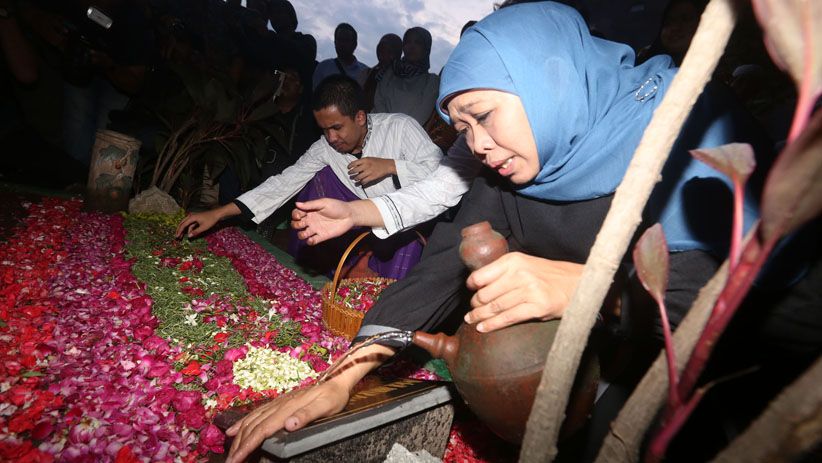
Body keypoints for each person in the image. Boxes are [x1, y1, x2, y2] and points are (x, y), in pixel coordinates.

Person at [223, 3, 775, 462]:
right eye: (462, 127)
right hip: (604, 358)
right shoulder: (507, 165)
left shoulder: (685, 124)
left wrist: (588, 288)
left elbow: (738, 291)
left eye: (484, 115)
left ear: (549, 78)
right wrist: (344, 377)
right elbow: (440, 268)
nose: (477, 144)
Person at [176, 74, 441, 279]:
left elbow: (439, 173)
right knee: (318, 177)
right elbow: (284, 182)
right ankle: (337, 270)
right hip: (353, 222)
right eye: (324, 130)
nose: (331, 139)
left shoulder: (400, 127)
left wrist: (391, 166)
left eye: (337, 128)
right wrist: (219, 213)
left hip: (404, 223)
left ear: (360, 117)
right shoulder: (326, 147)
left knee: (390, 298)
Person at [373, 27, 439, 126]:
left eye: (418, 43)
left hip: (407, 137)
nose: (412, 46)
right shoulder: (389, 72)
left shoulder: (432, 82)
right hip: (378, 131)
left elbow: (419, 116)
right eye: (408, 42)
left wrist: (396, 131)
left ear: (426, 49)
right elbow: (379, 103)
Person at [311, 23, 369, 90]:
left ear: (355, 44)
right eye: (340, 40)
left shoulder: (366, 73)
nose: (342, 44)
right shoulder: (322, 68)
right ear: (335, 42)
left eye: (347, 40)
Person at [362, 33, 402, 111]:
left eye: (389, 49)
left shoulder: (401, 77)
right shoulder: (366, 73)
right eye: (381, 47)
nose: (382, 51)